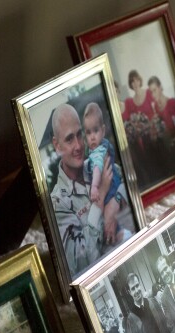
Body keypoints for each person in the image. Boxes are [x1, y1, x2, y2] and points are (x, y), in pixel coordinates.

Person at [49, 103, 119, 277]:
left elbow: (125, 184)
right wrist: (101, 196)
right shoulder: (58, 203)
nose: (79, 145)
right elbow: (81, 264)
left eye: (80, 134)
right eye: (69, 139)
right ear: (57, 145)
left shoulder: (96, 165)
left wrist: (115, 202)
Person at [82, 101, 131, 247]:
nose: (92, 137)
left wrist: (96, 186)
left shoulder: (99, 152)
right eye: (88, 132)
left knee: (106, 223)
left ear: (103, 131)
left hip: (110, 191)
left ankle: (116, 235)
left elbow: (97, 169)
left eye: (95, 131)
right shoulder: (100, 148)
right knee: (106, 222)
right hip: (109, 193)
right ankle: (116, 234)